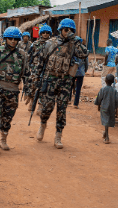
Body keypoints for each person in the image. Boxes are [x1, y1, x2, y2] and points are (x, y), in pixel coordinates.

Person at [30, 18, 88, 149]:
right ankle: (42, 125)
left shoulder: (74, 44)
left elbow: (84, 54)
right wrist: (36, 79)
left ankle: (58, 136)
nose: (68, 32)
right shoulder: (50, 43)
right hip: (50, 79)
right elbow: (41, 61)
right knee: (47, 107)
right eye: (66, 29)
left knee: (62, 110)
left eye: (71, 30)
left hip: (65, 81)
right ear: (60, 29)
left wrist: (74, 39)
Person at [24, 24, 53, 103]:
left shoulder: (53, 44)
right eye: (44, 32)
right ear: (41, 33)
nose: (45, 34)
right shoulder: (35, 44)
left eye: (47, 33)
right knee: (33, 86)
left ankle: (40, 105)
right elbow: (29, 56)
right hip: (35, 68)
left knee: (44, 87)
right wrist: (29, 66)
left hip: (47, 69)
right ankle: (32, 101)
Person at [94, 73, 118, 144]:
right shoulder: (114, 90)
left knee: (105, 120)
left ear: (105, 80)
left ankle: (107, 137)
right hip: (111, 107)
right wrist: (116, 108)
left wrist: (98, 105)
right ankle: (105, 133)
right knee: (108, 120)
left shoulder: (103, 89)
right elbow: (117, 100)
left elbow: (99, 98)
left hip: (104, 107)